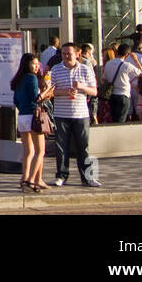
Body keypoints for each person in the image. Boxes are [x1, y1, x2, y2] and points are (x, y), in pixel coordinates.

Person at [50, 42, 100, 187]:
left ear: (77, 54)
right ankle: (61, 175)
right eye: (64, 53)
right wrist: (64, 92)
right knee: (61, 147)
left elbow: (94, 91)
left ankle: (88, 177)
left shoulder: (85, 69)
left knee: (83, 146)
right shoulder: (56, 69)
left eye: (69, 53)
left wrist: (82, 87)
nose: (66, 56)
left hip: (81, 114)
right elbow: (50, 91)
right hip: (61, 113)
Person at [12, 52, 52, 192]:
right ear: (27, 65)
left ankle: (25, 178)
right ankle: (31, 180)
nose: (36, 67)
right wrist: (47, 90)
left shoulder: (19, 79)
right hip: (33, 116)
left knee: (28, 150)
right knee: (40, 151)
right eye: (33, 64)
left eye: (37, 64)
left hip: (22, 116)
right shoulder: (31, 78)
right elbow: (37, 98)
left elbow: (16, 100)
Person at [103, 44, 142, 123]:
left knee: (114, 119)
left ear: (117, 51)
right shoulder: (126, 65)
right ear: (127, 54)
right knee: (121, 120)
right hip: (123, 95)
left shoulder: (108, 64)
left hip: (112, 95)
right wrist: (135, 60)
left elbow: (104, 79)